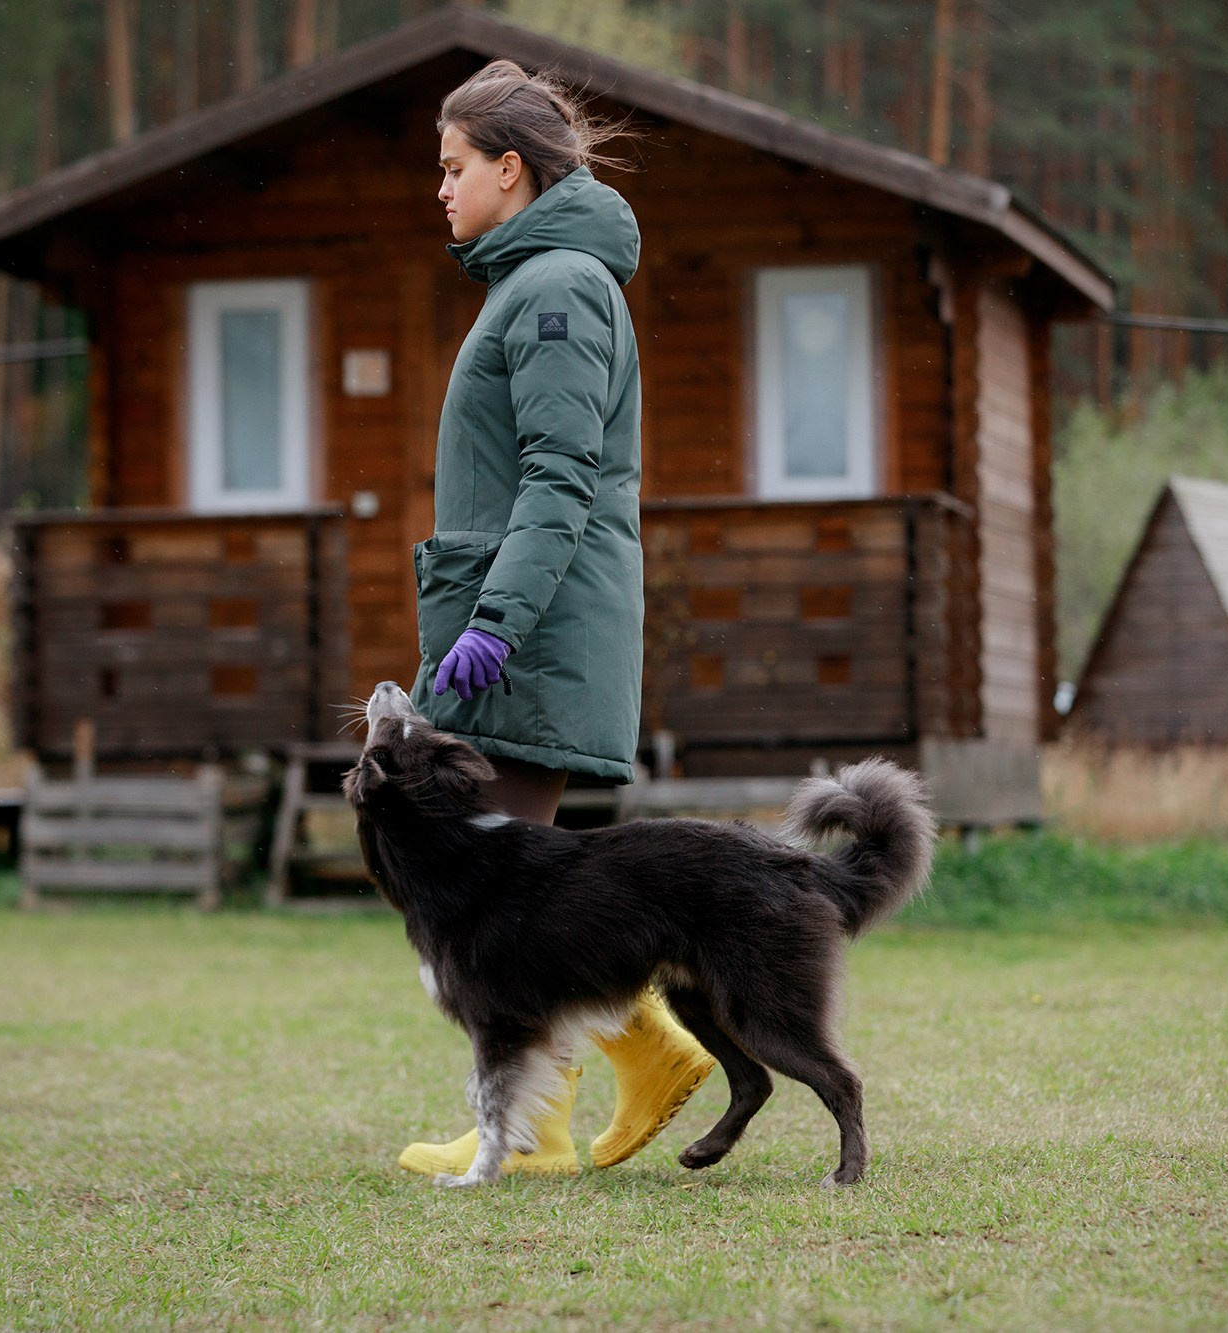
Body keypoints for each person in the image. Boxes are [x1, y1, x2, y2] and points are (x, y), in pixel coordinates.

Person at [397, 59, 713, 1178]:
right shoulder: (533, 282)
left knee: (498, 889)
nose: (439, 189)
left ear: (508, 169)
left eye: (452, 168)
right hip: (514, 623)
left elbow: (557, 476)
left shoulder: (558, 288)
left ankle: (536, 1126)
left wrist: (495, 622)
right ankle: (633, 1063)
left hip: (523, 632)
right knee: (509, 878)